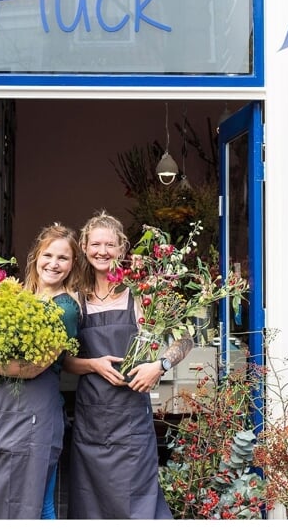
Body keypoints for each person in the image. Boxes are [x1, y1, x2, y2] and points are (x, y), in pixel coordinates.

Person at [63, 211, 193, 519]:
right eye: (95, 244)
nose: (102, 251)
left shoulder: (142, 293)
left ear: (122, 248)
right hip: (91, 420)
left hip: (132, 420)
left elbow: (185, 339)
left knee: (137, 504)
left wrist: (158, 366)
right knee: (89, 506)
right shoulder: (74, 297)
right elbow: (63, 362)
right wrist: (93, 365)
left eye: (110, 245)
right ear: (83, 246)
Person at [0, 223, 82, 519]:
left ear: (73, 264)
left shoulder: (65, 308)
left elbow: (32, 368)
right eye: (48, 255)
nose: (53, 263)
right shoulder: (17, 298)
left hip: (37, 415)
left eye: (63, 258)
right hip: (8, 410)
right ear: (36, 256)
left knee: (36, 504)